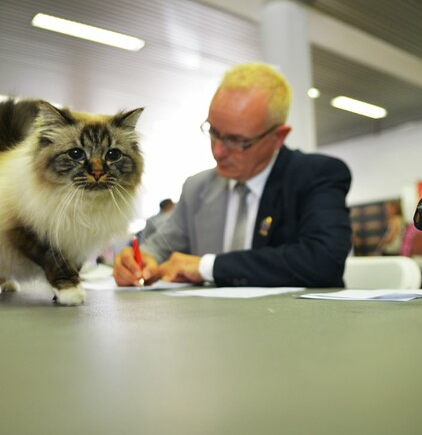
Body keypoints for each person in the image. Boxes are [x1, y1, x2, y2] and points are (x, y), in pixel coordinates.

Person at [113, 62, 352, 287]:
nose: (218, 151)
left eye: (237, 141)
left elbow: (323, 261)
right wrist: (138, 260)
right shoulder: (197, 187)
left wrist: (208, 267)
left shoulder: (316, 175)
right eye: (214, 132)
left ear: (278, 137)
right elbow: (161, 248)